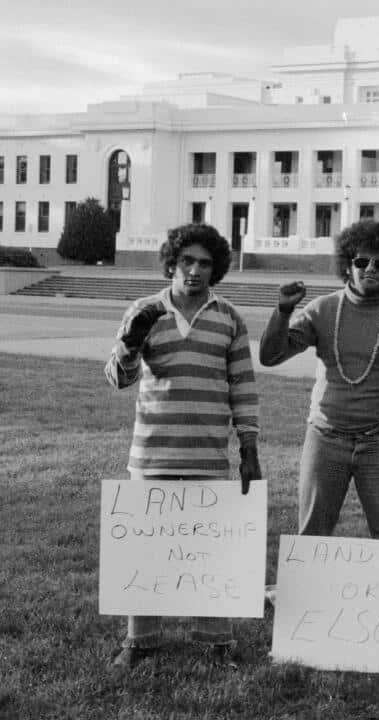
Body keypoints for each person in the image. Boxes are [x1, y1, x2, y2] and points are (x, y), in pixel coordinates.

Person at [104, 223, 261, 669]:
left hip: (209, 455)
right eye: (186, 261)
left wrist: (249, 448)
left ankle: (216, 642)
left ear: (217, 269)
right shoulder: (143, 309)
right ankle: (140, 641)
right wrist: (131, 343)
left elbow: (242, 386)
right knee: (145, 550)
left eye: (205, 263)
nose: (194, 271)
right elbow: (119, 379)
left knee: (210, 552)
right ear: (172, 263)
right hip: (152, 453)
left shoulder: (229, 317)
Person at [259, 219, 379, 542]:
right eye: (361, 261)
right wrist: (283, 312)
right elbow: (270, 356)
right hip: (326, 439)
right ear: (348, 265)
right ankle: (308, 594)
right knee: (312, 536)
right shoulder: (322, 310)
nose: (369, 269)